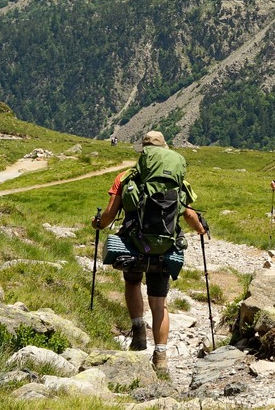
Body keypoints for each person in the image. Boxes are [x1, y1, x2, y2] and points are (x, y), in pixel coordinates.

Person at [92, 131, 206, 374]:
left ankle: (139, 334)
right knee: (159, 301)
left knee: (132, 284)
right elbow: (187, 213)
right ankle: (161, 357)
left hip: (134, 245)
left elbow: (110, 215)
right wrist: (200, 228)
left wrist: (98, 223)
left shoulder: (125, 178)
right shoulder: (177, 182)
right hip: (164, 248)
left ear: (144, 152)